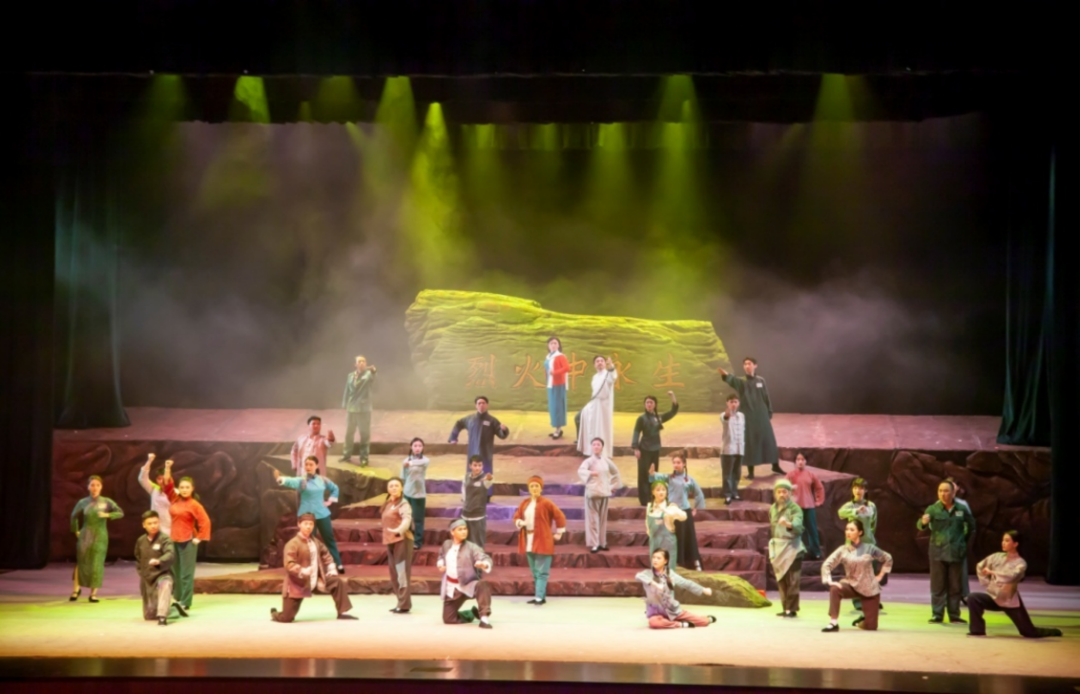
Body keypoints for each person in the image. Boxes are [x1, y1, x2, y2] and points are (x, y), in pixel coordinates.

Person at [967, 530, 1063, 638]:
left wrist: (992, 572)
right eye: (1003, 540)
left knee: (1029, 632)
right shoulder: (996, 556)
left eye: (1007, 540)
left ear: (1015, 544)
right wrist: (986, 582)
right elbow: (980, 566)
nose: (1003, 543)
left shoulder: (1020, 563)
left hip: (1009, 601)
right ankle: (977, 630)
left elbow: (1010, 576)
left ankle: (1054, 631)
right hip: (993, 597)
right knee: (973, 598)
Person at [271, 513, 356, 623]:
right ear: (299, 524)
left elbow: (326, 554)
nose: (308, 526)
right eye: (305, 524)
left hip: (316, 580)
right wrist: (302, 570)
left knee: (337, 582)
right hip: (298, 583)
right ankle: (275, 614)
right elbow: (289, 564)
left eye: (311, 524)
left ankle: (342, 612)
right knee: (286, 618)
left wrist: (331, 567)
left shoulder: (315, 542)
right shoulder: (292, 544)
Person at [917, 479, 975, 624]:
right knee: (937, 586)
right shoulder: (932, 509)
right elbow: (920, 525)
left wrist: (962, 543)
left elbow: (972, 527)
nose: (943, 494)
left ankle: (954, 615)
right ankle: (937, 614)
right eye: (940, 491)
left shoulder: (961, 508)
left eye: (946, 491)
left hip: (956, 552)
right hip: (937, 552)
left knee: (955, 586)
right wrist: (923, 523)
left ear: (953, 492)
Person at [274, 455, 344, 573]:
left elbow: (335, 488)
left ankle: (338, 564)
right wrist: (281, 479)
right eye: (306, 464)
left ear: (316, 466)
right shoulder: (302, 480)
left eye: (311, 464)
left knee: (329, 539)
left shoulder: (322, 480)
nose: (308, 467)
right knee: (308, 541)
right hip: (307, 516)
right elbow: (292, 481)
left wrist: (330, 501)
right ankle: (310, 567)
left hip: (322, 513)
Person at [820, 519, 893, 632]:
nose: (848, 532)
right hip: (851, 585)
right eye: (847, 529)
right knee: (835, 589)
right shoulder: (843, 550)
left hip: (869, 588)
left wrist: (880, 575)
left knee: (871, 627)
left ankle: (862, 620)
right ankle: (833, 623)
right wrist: (829, 581)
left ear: (860, 532)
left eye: (852, 530)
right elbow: (827, 564)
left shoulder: (870, 548)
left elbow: (888, 558)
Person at [718, 358, 780, 477]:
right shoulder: (741, 381)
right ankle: (751, 472)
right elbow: (731, 379)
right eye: (745, 364)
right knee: (750, 441)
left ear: (755, 365)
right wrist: (724, 374)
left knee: (769, 440)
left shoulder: (761, 380)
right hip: (748, 415)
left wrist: (769, 410)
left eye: (749, 363)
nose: (747, 366)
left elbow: (766, 396)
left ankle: (775, 465)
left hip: (761, 414)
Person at [512, 476, 567, 605]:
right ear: (529, 488)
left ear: (541, 488)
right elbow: (516, 517)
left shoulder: (546, 503)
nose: (534, 488)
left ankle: (539, 597)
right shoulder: (525, 503)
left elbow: (560, 516)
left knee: (542, 572)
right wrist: (520, 522)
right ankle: (540, 595)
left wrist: (559, 533)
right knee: (535, 571)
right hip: (528, 541)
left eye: (537, 486)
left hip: (543, 540)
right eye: (532, 486)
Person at [164, 465, 211, 612]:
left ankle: (185, 601)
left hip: (188, 541)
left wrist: (199, 537)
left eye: (187, 487)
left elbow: (205, 521)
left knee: (186, 574)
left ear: (192, 489)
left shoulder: (194, 505)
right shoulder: (174, 499)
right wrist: (167, 468)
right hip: (174, 539)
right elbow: (167, 485)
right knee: (175, 572)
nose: (184, 490)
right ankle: (178, 598)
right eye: (182, 487)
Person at [69, 476, 124, 602]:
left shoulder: (106, 501)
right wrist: (76, 530)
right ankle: (76, 590)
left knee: (97, 562)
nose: (95, 487)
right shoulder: (83, 502)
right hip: (86, 534)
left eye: (97, 485)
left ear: (101, 487)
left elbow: (120, 513)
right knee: (81, 561)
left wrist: (108, 514)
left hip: (100, 535)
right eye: (92, 485)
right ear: (88, 487)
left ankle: (93, 593)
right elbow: (73, 516)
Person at [649, 453, 705, 571]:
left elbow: (698, 493)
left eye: (678, 462)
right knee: (672, 537)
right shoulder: (669, 477)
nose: (676, 465)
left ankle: (694, 561)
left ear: (684, 464)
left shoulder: (689, 479)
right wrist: (652, 473)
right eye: (674, 462)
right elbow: (655, 477)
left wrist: (696, 508)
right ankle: (673, 562)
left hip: (684, 511)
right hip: (671, 512)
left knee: (688, 538)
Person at [636, 549, 717, 629]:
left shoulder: (670, 574)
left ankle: (704, 618)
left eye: (658, 558)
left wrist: (703, 589)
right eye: (654, 557)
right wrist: (655, 584)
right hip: (656, 612)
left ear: (665, 561)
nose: (655, 560)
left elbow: (686, 583)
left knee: (703, 622)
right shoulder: (647, 573)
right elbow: (638, 576)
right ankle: (681, 624)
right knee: (654, 623)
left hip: (672, 610)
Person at [437, 519, 495, 628]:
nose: (464, 532)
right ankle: (471, 613)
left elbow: (485, 557)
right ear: (452, 532)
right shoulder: (447, 544)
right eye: (460, 529)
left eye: (465, 529)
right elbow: (441, 555)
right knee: (448, 619)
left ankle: (484, 618)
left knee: (482, 585)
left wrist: (484, 564)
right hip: (452, 588)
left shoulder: (472, 547)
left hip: (468, 584)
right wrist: (440, 563)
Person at [838, 477, 884, 612]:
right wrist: (856, 511)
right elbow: (840, 513)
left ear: (866, 490)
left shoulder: (871, 506)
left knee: (870, 573)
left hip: (869, 543)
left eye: (861, 488)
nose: (858, 491)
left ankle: (871, 599)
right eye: (855, 488)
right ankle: (858, 601)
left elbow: (873, 523)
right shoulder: (849, 505)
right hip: (853, 545)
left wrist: (869, 535)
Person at [632, 391, 679, 506]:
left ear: (655, 405)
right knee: (644, 475)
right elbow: (636, 432)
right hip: (644, 450)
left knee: (653, 474)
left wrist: (672, 396)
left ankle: (652, 496)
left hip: (655, 449)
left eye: (651, 402)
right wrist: (636, 448)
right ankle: (644, 500)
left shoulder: (658, 418)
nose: (649, 404)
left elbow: (673, 411)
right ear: (645, 405)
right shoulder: (641, 419)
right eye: (647, 402)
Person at [134, 510, 181, 625]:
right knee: (149, 616)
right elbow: (138, 558)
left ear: (159, 522)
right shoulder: (140, 541)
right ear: (144, 525)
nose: (153, 526)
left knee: (165, 584)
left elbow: (170, 554)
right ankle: (174, 608)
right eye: (149, 523)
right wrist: (143, 574)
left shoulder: (165, 539)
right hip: (148, 578)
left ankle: (163, 617)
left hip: (162, 574)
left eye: (155, 523)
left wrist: (159, 561)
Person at [577, 437, 623, 553]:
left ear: (602, 447)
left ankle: (602, 542)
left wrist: (613, 486)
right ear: (591, 447)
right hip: (593, 493)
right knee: (593, 520)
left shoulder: (606, 461)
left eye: (598, 444)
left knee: (602, 519)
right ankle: (594, 544)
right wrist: (591, 473)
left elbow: (616, 472)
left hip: (604, 492)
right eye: (594, 444)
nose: (596, 446)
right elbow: (581, 471)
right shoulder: (588, 461)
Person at [449, 396, 509, 475]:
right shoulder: (470, 419)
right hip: (473, 450)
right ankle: (471, 481)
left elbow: (501, 434)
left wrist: (504, 430)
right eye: (479, 403)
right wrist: (453, 437)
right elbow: (458, 424)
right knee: (472, 471)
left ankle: (486, 482)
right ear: (476, 405)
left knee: (486, 473)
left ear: (487, 405)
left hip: (486, 452)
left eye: (483, 403)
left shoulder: (492, 421)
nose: (481, 405)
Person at [769, 478, 804, 618]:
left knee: (793, 580)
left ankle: (792, 609)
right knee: (781, 579)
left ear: (790, 493)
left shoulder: (795, 508)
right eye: (779, 492)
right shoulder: (772, 508)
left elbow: (798, 526)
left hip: (792, 547)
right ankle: (785, 608)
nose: (782, 495)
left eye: (784, 492)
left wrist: (788, 524)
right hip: (778, 547)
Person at [381, 477, 414, 613]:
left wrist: (399, 529)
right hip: (390, 541)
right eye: (391, 486)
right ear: (388, 489)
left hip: (402, 541)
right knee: (394, 573)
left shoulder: (404, 504)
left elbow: (407, 519)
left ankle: (404, 605)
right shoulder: (388, 503)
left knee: (402, 573)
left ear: (401, 488)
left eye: (396, 485)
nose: (394, 488)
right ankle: (401, 602)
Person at [576, 356, 618, 460]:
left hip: (603, 406)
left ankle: (601, 452)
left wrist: (611, 366)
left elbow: (613, 377)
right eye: (597, 361)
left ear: (605, 363)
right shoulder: (595, 377)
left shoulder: (607, 374)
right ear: (594, 365)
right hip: (594, 404)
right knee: (579, 417)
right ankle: (587, 447)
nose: (599, 363)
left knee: (600, 428)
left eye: (602, 361)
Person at [786, 451, 825, 560]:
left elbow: (819, 488)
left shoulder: (810, 475)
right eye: (798, 459)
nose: (800, 462)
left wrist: (818, 501)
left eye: (802, 459)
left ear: (806, 461)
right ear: (795, 461)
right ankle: (794, 552)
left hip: (809, 506)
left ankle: (815, 552)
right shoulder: (790, 475)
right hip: (795, 508)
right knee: (795, 530)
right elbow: (782, 488)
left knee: (812, 530)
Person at [341, 355, 377, 466]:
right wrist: (344, 403)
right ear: (355, 364)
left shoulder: (368, 375)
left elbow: (373, 377)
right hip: (351, 408)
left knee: (364, 434)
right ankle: (346, 455)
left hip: (363, 409)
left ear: (366, 363)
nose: (361, 363)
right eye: (359, 361)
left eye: (363, 361)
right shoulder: (350, 376)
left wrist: (373, 371)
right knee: (349, 433)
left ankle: (364, 458)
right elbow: (347, 390)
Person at [645, 481, 687, 567]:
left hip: (667, 541)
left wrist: (666, 511)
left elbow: (684, 516)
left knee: (668, 569)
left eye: (663, 490)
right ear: (653, 492)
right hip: (654, 541)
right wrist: (650, 533)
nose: (661, 492)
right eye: (658, 490)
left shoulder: (671, 506)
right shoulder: (649, 506)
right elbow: (647, 522)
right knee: (656, 568)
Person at [401, 437, 430, 551]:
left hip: (419, 494)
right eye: (415, 446)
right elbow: (403, 476)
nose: (417, 448)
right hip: (407, 492)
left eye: (420, 446)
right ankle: (407, 540)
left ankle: (417, 541)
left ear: (423, 448)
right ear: (411, 447)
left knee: (418, 520)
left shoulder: (425, 460)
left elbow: (420, 462)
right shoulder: (405, 461)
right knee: (406, 518)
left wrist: (410, 463)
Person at [461, 455, 494, 548]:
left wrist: (489, 478)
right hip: (466, 515)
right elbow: (463, 494)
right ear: (470, 466)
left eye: (480, 465)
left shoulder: (485, 479)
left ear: (482, 466)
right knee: (465, 543)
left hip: (478, 517)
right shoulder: (466, 477)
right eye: (475, 465)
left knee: (478, 543)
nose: (477, 468)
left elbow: (490, 480)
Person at [719, 393, 745, 505]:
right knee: (727, 474)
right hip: (728, 450)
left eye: (735, 402)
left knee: (736, 473)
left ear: (738, 403)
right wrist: (727, 415)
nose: (733, 404)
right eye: (731, 402)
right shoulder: (723, 415)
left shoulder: (742, 416)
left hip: (739, 449)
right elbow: (725, 419)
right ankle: (727, 495)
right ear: (727, 403)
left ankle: (734, 492)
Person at [137, 453, 172, 536]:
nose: (162, 481)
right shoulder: (154, 490)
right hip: (155, 529)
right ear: (156, 480)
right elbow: (142, 478)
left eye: (164, 478)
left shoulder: (175, 493)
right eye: (159, 479)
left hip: (170, 530)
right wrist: (149, 461)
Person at [544, 337, 570, 440]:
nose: (553, 345)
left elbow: (567, 368)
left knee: (558, 407)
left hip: (558, 384)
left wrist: (554, 373)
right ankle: (556, 428)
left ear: (558, 345)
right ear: (548, 345)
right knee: (553, 407)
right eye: (551, 343)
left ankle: (558, 430)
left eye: (555, 343)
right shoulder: (548, 356)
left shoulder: (560, 356)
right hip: (550, 384)